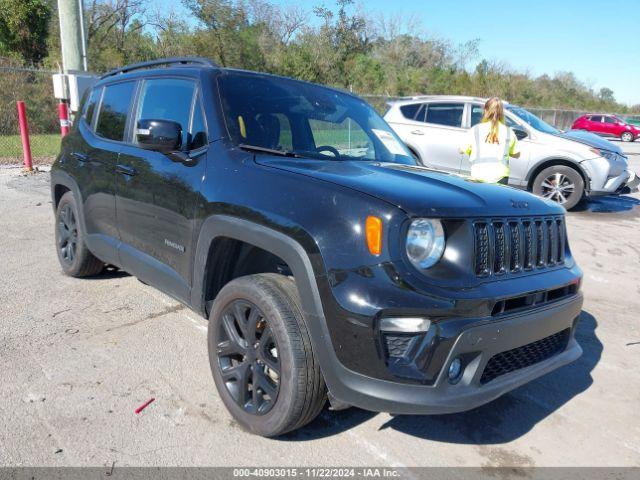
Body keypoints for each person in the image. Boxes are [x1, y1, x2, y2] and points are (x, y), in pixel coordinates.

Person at [460, 97, 520, 185]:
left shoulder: (475, 130)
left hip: (478, 174)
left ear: (485, 110)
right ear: (502, 112)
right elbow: (517, 154)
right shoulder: (508, 132)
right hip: (500, 176)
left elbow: (461, 150)